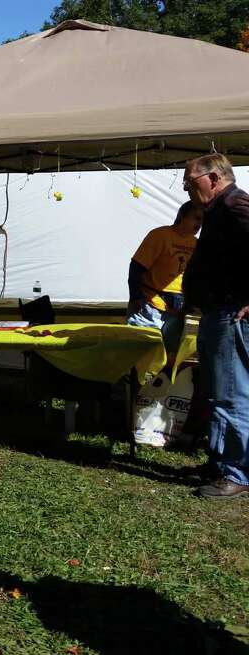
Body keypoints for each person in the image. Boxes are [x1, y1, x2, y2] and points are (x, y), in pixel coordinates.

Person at [181, 153, 249, 499]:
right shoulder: (219, 210)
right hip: (215, 311)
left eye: (190, 183)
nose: (188, 190)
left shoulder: (236, 204)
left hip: (229, 311)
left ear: (213, 178)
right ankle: (221, 461)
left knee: (231, 393)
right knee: (216, 390)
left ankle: (235, 473)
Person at [126, 201, 202, 349]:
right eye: (197, 218)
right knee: (142, 352)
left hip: (178, 311)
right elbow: (136, 267)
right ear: (182, 216)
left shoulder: (197, 244)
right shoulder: (160, 235)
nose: (200, 224)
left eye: (202, 220)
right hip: (150, 307)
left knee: (168, 354)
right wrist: (135, 297)